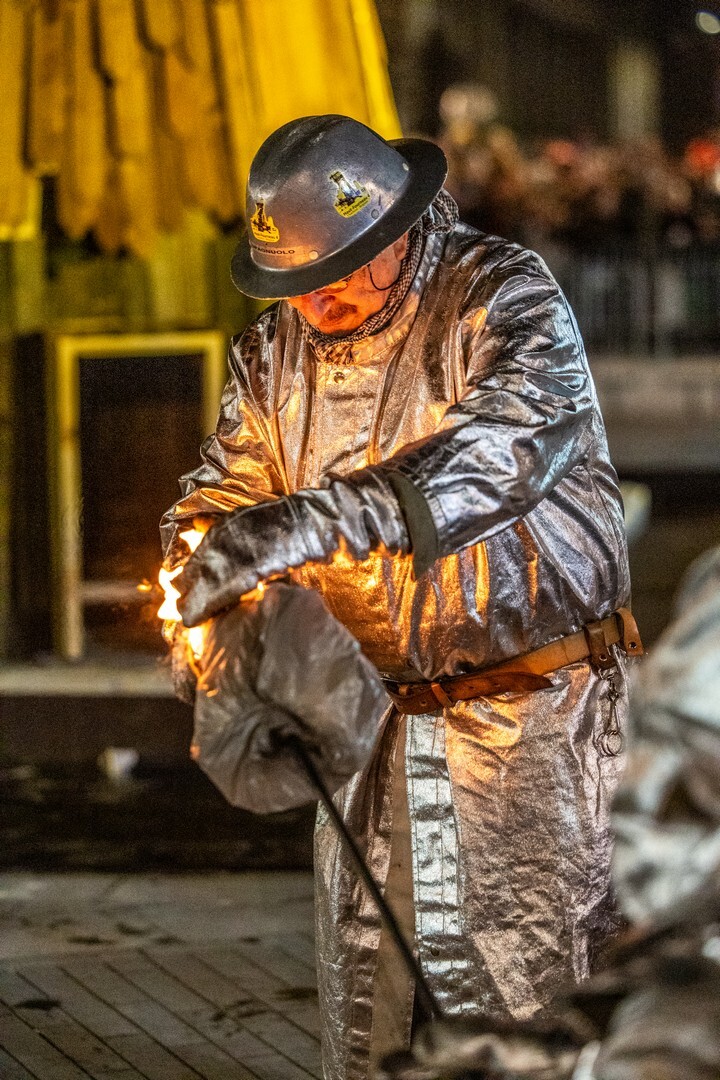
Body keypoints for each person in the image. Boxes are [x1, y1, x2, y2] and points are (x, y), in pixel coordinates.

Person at [160, 114, 639, 1080]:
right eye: (298, 283)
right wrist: (209, 620)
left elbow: (503, 451)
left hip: (534, 735)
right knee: (375, 1027)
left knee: (537, 1020)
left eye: (340, 271)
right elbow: (220, 503)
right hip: (367, 736)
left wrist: (315, 522)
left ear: (396, 229)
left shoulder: (500, 297)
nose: (320, 299)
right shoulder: (273, 354)